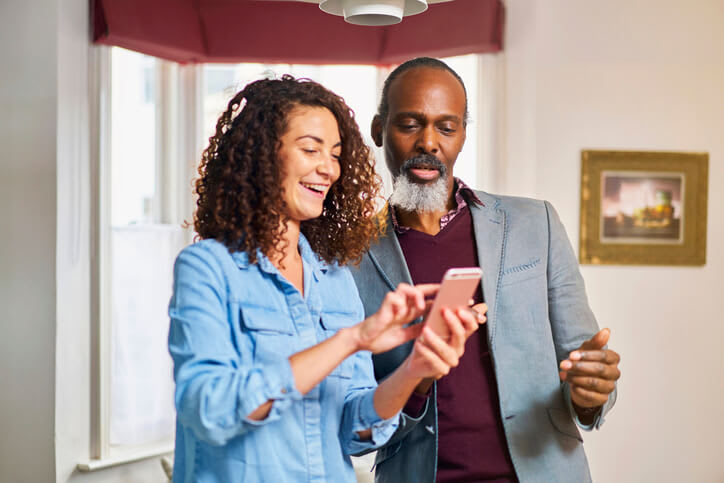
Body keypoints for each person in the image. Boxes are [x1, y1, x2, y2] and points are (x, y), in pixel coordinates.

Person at [167, 75, 482, 483]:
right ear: (261, 156)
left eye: (335, 154)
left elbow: (355, 431)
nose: (328, 169)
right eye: (310, 149)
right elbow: (210, 410)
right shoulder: (207, 268)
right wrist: (351, 340)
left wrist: (414, 370)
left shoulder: (334, 278)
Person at [350, 58, 621, 482]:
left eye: (446, 126)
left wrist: (590, 394)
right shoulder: (349, 257)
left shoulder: (536, 224)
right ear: (378, 130)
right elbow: (358, 426)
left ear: (461, 135)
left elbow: (582, 366)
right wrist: (416, 379)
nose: (429, 143)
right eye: (409, 124)